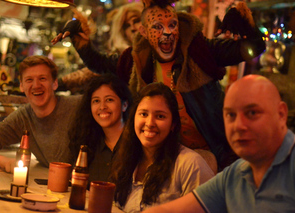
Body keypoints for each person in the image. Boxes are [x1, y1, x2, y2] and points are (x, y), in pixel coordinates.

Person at [52, 0, 266, 170]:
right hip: (165, 156)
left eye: (172, 25)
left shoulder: (200, 52)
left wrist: (245, 23)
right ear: (144, 32)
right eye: (158, 27)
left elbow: (253, 48)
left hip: (213, 153)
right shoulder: (136, 62)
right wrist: (81, 41)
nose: (167, 33)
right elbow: (100, 63)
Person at [143, 74, 295, 213]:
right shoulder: (235, 174)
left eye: (252, 113)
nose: (238, 125)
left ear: (281, 114)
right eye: (230, 115)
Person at [110, 82, 215, 212]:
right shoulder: (126, 158)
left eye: (160, 116)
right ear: (133, 119)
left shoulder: (190, 165)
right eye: (143, 114)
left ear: (173, 125)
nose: (150, 123)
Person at [0, 55, 82, 173]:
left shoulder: (77, 106)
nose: (36, 85)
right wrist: (2, 161)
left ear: (55, 83)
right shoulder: (23, 117)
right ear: (22, 86)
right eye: (29, 80)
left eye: (42, 78)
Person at [68, 74, 132, 184]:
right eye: (96, 101)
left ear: (124, 105)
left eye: (109, 100)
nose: (102, 107)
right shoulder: (87, 144)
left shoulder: (136, 143)